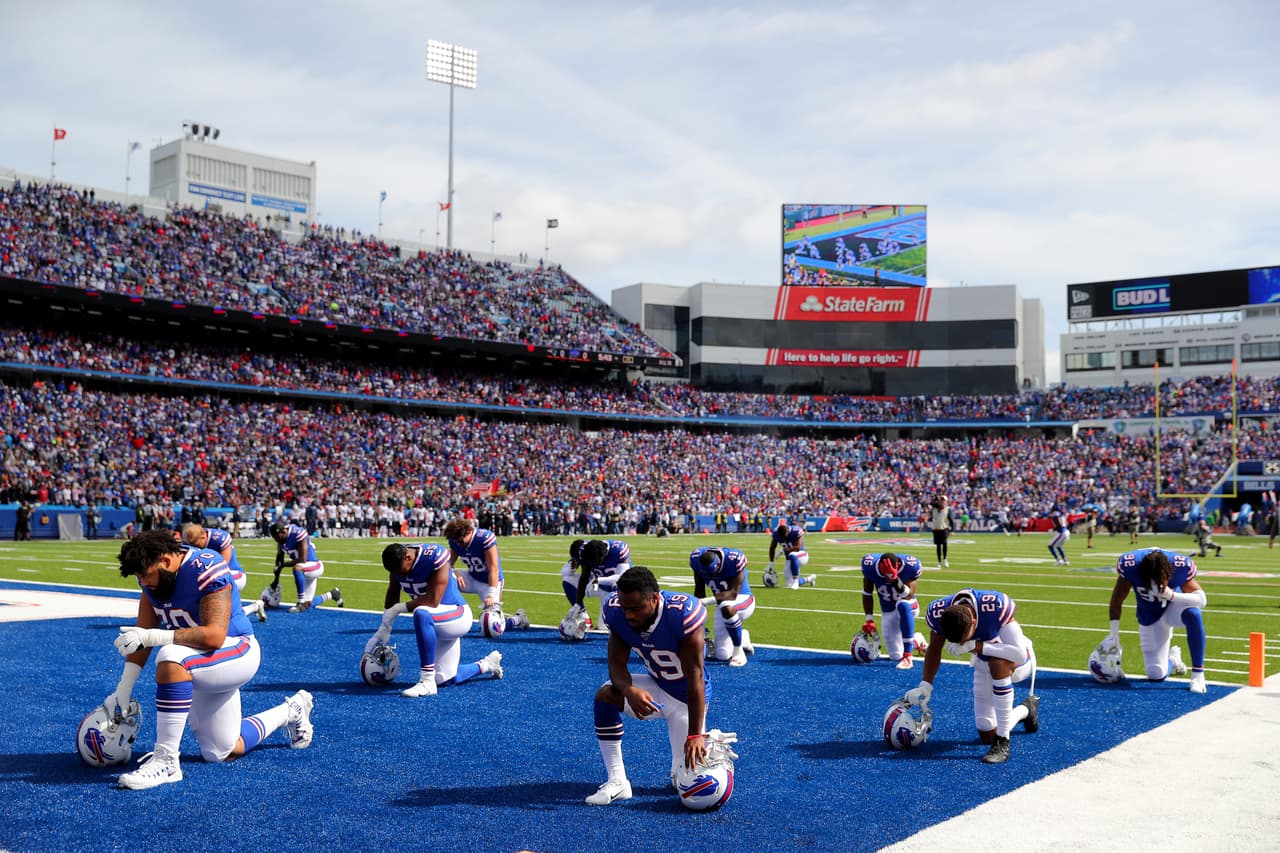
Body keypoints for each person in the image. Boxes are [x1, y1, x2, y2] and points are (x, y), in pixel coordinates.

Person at [106, 529, 314, 790]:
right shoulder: (152, 577)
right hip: (201, 660)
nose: (144, 582)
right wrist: (124, 688)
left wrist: (152, 636)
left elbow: (214, 636)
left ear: (166, 561)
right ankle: (290, 711)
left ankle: (167, 761)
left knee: (171, 657)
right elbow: (143, 632)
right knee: (221, 752)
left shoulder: (205, 566)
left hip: (237, 650)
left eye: (146, 575)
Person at [585, 566, 715, 805]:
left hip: (688, 700)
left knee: (689, 787)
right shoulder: (616, 613)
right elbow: (616, 665)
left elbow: (695, 675)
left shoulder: (681, 614)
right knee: (605, 696)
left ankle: (710, 745)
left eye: (636, 608)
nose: (629, 615)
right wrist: (629, 690)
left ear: (654, 599)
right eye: (625, 608)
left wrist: (695, 734)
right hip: (657, 688)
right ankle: (618, 781)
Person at [905, 588, 1039, 764]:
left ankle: (1003, 741)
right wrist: (926, 685)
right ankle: (1027, 710)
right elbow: (935, 649)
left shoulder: (994, 606)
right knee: (986, 733)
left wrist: (976, 646)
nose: (961, 644)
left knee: (997, 663)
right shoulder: (938, 612)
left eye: (963, 639)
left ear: (974, 621)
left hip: (1017, 661)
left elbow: (1019, 653)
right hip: (984, 663)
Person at [367, 542, 503, 698]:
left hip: (457, 614)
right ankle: (486, 664)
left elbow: (433, 600)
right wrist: (384, 628)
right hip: (437, 621)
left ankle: (427, 681)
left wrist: (397, 609)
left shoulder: (432, 556)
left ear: (408, 557)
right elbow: (393, 592)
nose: (401, 575)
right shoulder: (398, 560)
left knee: (421, 613)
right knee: (445, 679)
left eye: (401, 571)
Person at [1098, 548, 1207, 693]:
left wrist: (1172, 595)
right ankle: (1174, 660)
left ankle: (1198, 674)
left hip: (1174, 609)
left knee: (1193, 614)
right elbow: (1117, 600)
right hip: (1149, 615)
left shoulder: (1179, 565)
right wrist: (1113, 635)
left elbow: (1201, 600)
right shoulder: (1131, 565)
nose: (1156, 583)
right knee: (1155, 674)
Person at [442, 517, 529, 634]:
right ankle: (444, 614)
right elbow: (447, 564)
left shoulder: (483, 538)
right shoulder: (456, 541)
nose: (458, 544)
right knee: (443, 578)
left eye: (460, 541)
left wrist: (491, 594)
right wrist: (453, 572)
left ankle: (517, 619)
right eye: (456, 542)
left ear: (468, 532)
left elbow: (493, 568)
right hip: (471, 577)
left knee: (492, 628)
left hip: (489, 582)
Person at [183, 523, 274, 622]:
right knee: (224, 614)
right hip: (212, 576)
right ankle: (255, 606)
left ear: (203, 537)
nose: (194, 547)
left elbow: (222, 565)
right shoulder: (193, 540)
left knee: (220, 614)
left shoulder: (219, 538)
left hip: (234, 574)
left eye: (195, 544)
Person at [689, 545, 755, 666]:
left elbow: (733, 594)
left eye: (711, 572)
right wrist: (699, 623)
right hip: (721, 605)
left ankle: (739, 651)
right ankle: (743, 636)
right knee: (722, 655)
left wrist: (705, 601)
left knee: (727, 607)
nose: (710, 576)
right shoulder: (696, 559)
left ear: (719, 565)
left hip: (744, 599)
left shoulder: (734, 559)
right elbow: (699, 592)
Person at [860, 552, 924, 669]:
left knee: (902, 604)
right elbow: (867, 593)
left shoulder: (910, 565)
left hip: (910, 606)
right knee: (895, 655)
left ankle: (908, 657)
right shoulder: (870, 566)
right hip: (888, 610)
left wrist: (895, 580)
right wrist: (869, 620)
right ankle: (916, 640)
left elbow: (908, 595)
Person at [269, 519, 341, 613]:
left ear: (283, 532)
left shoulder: (297, 533)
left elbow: (303, 559)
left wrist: (283, 565)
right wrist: (276, 580)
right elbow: (279, 561)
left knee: (297, 568)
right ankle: (332, 594)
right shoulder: (281, 540)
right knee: (308, 605)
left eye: (277, 538)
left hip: (315, 566)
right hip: (305, 571)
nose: (277, 541)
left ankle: (300, 603)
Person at [561, 538, 632, 627]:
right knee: (568, 580)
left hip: (617, 591)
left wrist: (598, 580)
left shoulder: (618, 550)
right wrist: (577, 604)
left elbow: (621, 578)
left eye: (596, 562)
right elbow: (583, 577)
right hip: (598, 586)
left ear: (604, 556)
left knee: (604, 627)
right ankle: (583, 617)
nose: (595, 566)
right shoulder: (586, 551)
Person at [766, 521, 816, 589]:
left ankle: (796, 581)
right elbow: (772, 547)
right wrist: (771, 563)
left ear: (787, 532)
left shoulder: (796, 531)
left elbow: (798, 548)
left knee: (792, 555)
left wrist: (783, 550)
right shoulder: (776, 534)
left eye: (783, 536)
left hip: (802, 555)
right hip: (789, 559)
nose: (782, 538)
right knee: (789, 584)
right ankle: (809, 579)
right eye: (781, 537)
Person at [929, 495, 954, 568]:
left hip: (944, 529)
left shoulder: (947, 509)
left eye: (944, 500)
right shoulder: (935, 509)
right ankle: (939, 561)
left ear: (946, 502)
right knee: (938, 546)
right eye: (941, 500)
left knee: (945, 544)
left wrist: (952, 530)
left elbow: (951, 520)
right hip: (936, 530)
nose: (942, 502)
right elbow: (931, 503)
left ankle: (945, 559)